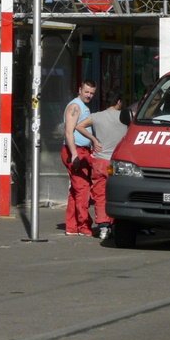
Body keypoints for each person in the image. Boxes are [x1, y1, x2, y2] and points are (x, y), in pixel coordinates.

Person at [76, 93, 128, 241]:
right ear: (119, 101)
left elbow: (79, 126)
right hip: (118, 161)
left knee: (100, 196)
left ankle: (103, 226)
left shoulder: (96, 116)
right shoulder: (126, 117)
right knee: (119, 194)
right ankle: (117, 223)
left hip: (99, 161)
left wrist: (93, 139)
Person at [62, 80, 101, 237]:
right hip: (76, 151)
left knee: (76, 189)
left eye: (92, 93)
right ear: (80, 90)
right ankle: (84, 226)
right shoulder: (75, 106)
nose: (89, 95)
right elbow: (68, 132)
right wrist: (74, 154)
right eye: (86, 92)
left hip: (81, 150)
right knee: (83, 189)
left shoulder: (82, 106)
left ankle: (72, 226)